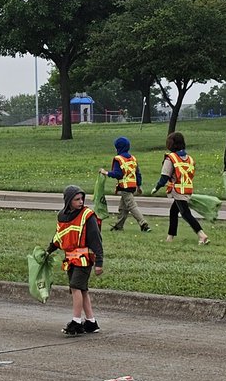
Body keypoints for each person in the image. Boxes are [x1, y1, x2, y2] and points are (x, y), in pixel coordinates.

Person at [47, 185, 104, 336]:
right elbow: (58, 237)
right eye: (76, 199)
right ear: (68, 201)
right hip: (70, 260)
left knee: (75, 287)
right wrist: (48, 251)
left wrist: (99, 263)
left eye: (81, 199)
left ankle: (76, 322)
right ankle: (91, 322)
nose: (81, 202)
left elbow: (96, 240)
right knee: (82, 290)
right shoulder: (62, 216)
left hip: (84, 260)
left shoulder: (87, 216)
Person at [152, 131, 209, 245]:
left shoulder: (171, 158)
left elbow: (164, 177)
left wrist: (156, 188)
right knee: (173, 211)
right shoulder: (189, 158)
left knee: (185, 213)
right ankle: (170, 237)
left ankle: (202, 235)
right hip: (187, 189)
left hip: (177, 190)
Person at [99, 136, 151, 233]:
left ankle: (143, 224)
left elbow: (118, 174)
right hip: (132, 186)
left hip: (124, 187)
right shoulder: (133, 158)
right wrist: (139, 186)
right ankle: (119, 226)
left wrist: (106, 173)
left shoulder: (118, 159)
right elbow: (137, 174)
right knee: (123, 208)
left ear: (118, 148)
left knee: (131, 206)